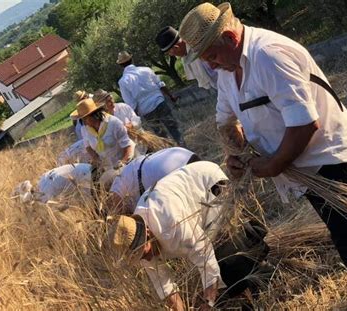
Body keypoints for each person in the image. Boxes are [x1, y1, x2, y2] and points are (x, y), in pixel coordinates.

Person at [179, 3, 347, 310]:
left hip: (334, 161)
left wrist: (271, 165)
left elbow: (304, 123)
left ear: (229, 38)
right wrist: (236, 152)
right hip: (308, 172)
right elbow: (225, 120)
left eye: (211, 56)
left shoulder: (268, 55)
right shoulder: (228, 72)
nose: (211, 66)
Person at [106, 161, 268, 310]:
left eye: (145, 252)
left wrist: (208, 302)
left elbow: (206, 260)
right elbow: (166, 287)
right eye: (140, 256)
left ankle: (262, 273)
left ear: (147, 232)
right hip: (186, 203)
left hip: (208, 186)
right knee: (219, 275)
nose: (146, 258)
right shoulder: (137, 244)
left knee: (226, 259)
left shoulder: (171, 224)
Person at [116, 51, 185, 146]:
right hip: (159, 102)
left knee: (161, 135)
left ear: (121, 65)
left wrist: (135, 120)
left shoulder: (123, 82)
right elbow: (160, 84)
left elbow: (131, 103)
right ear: (132, 60)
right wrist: (171, 96)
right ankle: (184, 148)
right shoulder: (146, 70)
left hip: (146, 111)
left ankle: (172, 152)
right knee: (173, 128)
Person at [108, 147, 200, 214]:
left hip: (173, 172)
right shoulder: (131, 169)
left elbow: (117, 212)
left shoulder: (118, 183)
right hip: (185, 155)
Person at [70, 98, 136, 187]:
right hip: (107, 166)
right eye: (82, 119)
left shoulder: (113, 123)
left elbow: (128, 146)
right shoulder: (85, 129)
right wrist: (95, 158)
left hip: (126, 162)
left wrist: (122, 163)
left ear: (94, 115)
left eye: (86, 118)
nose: (84, 122)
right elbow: (88, 146)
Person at [156, 26, 218, 90]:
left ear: (176, 47)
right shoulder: (186, 56)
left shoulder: (199, 49)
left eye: (169, 52)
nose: (171, 55)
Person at [13, 163, 93, 203]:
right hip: (87, 167)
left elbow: (57, 210)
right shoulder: (42, 180)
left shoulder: (44, 194)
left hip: (86, 178)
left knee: (92, 205)